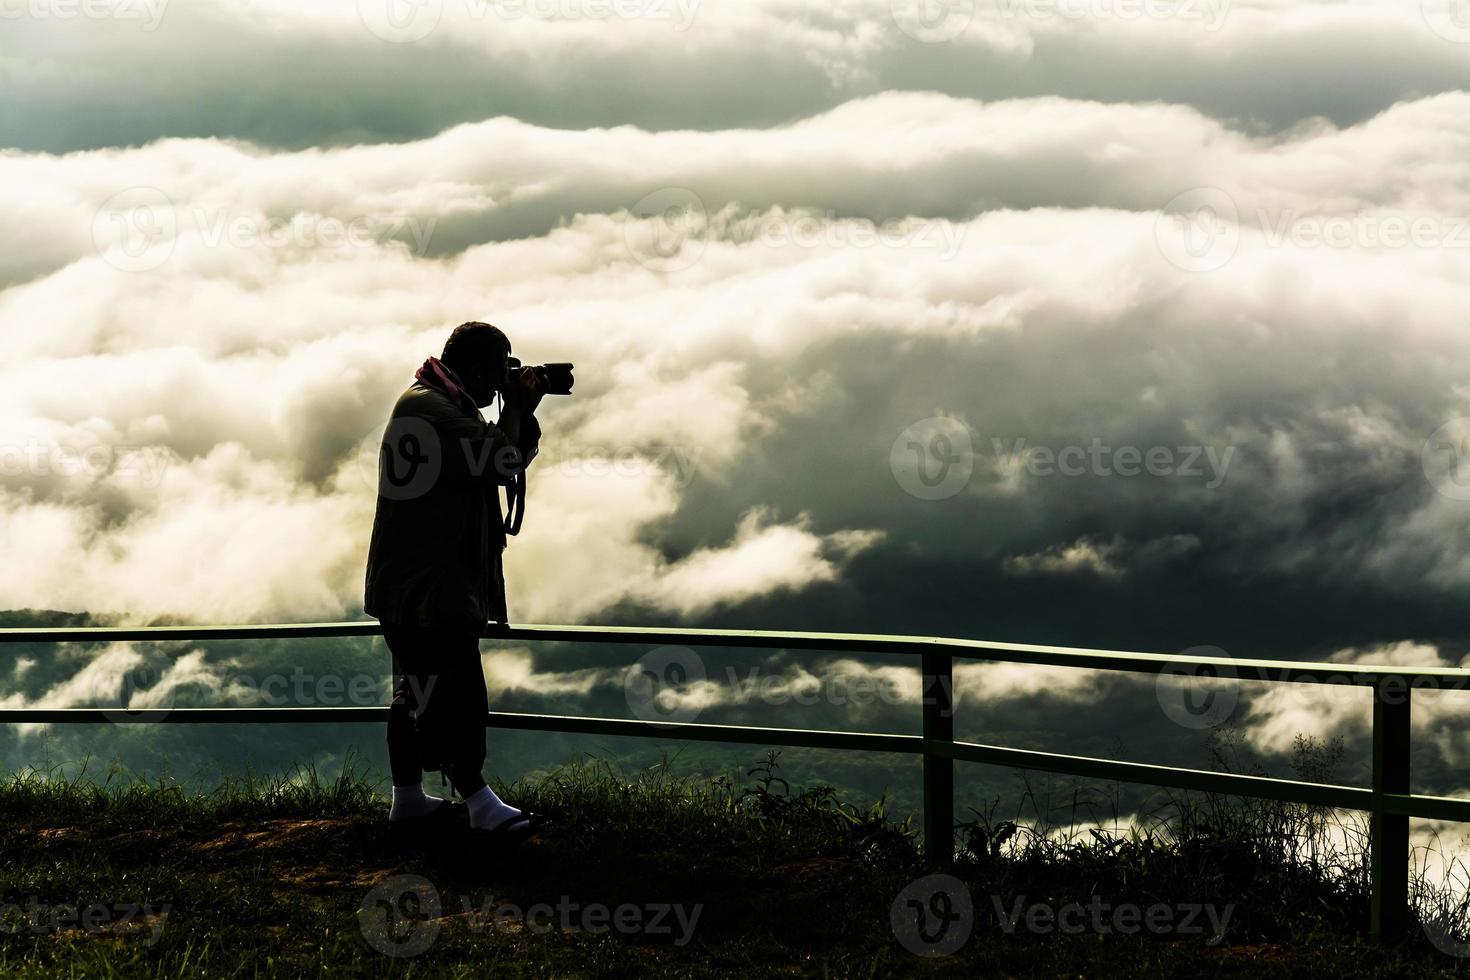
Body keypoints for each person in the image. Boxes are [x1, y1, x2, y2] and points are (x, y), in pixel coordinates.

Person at [363, 321, 546, 834]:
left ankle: (408, 800)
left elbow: (503, 458)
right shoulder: (432, 409)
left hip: (413, 586)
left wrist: (518, 413)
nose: (501, 382)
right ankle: (481, 806)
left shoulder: (434, 401)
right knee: (459, 694)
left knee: (416, 693)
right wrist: (514, 409)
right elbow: (498, 461)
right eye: (501, 368)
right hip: (430, 590)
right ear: (481, 365)